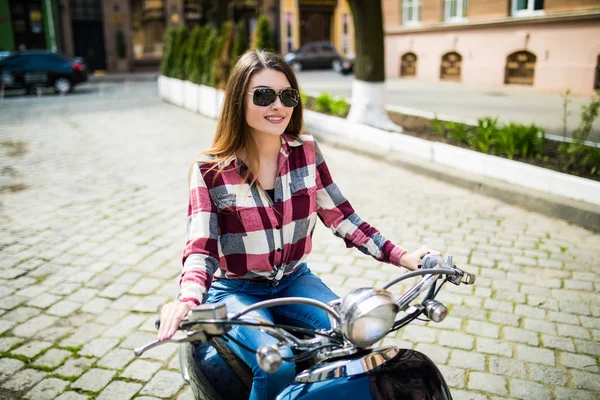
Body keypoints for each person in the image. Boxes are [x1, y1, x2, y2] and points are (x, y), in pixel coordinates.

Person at [159, 49, 439, 400]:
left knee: (354, 334)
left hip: (294, 279)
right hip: (237, 291)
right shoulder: (210, 169)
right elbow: (200, 248)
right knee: (277, 362)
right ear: (237, 101)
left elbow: (342, 216)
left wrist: (403, 256)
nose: (277, 105)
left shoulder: (306, 151)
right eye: (263, 95)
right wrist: (187, 299)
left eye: (287, 95)